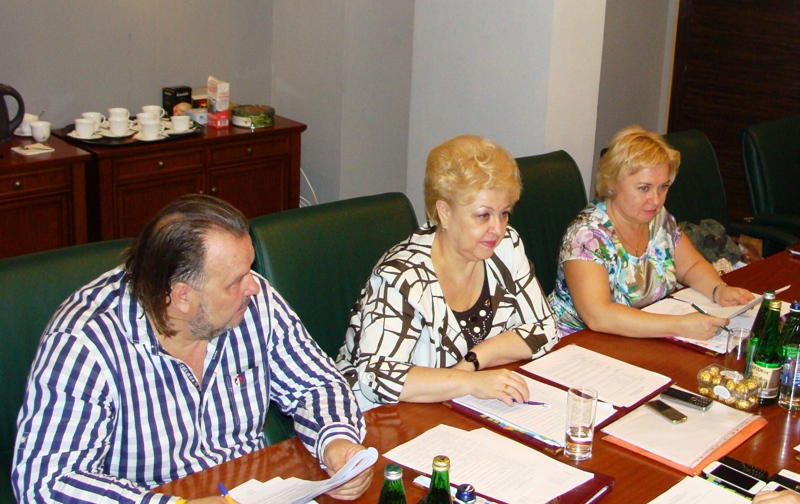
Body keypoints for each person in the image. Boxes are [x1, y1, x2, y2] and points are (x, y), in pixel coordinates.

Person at [13, 195, 371, 503]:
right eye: (236, 281)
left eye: (250, 269)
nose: (254, 286)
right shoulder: (85, 343)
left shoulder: (252, 302)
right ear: (182, 296)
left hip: (247, 489)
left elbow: (317, 384)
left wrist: (337, 441)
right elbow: (46, 484)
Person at [336, 134, 560, 410]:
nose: (498, 229)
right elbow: (377, 377)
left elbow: (544, 328)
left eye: (504, 213)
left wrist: (474, 360)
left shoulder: (506, 248)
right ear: (444, 212)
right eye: (483, 215)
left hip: (451, 408)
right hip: (375, 416)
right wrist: (469, 382)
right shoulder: (402, 276)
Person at [548, 125, 753, 338]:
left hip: (637, 338)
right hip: (578, 343)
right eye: (644, 188)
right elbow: (598, 315)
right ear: (612, 183)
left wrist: (718, 290)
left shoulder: (658, 219)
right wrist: (679, 326)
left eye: (663, 187)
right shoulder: (586, 236)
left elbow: (691, 266)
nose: (655, 200)